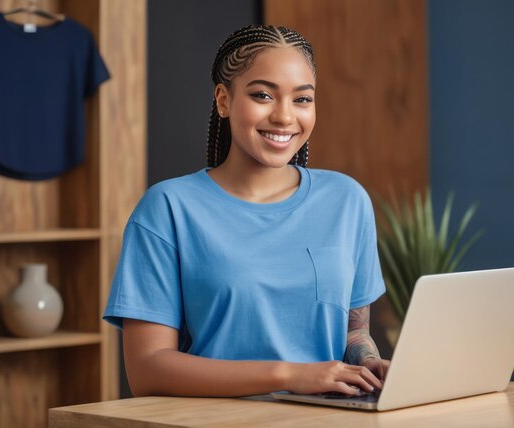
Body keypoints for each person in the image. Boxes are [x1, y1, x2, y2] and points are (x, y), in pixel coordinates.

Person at [103, 24, 390, 398]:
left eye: (302, 99)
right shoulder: (168, 209)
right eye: (262, 95)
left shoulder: (347, 200)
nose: (285, 117)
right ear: (223, 100)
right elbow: (147, 369)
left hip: (329, 419)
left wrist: (367, 364)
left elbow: (354, 331)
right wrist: (289, 375)